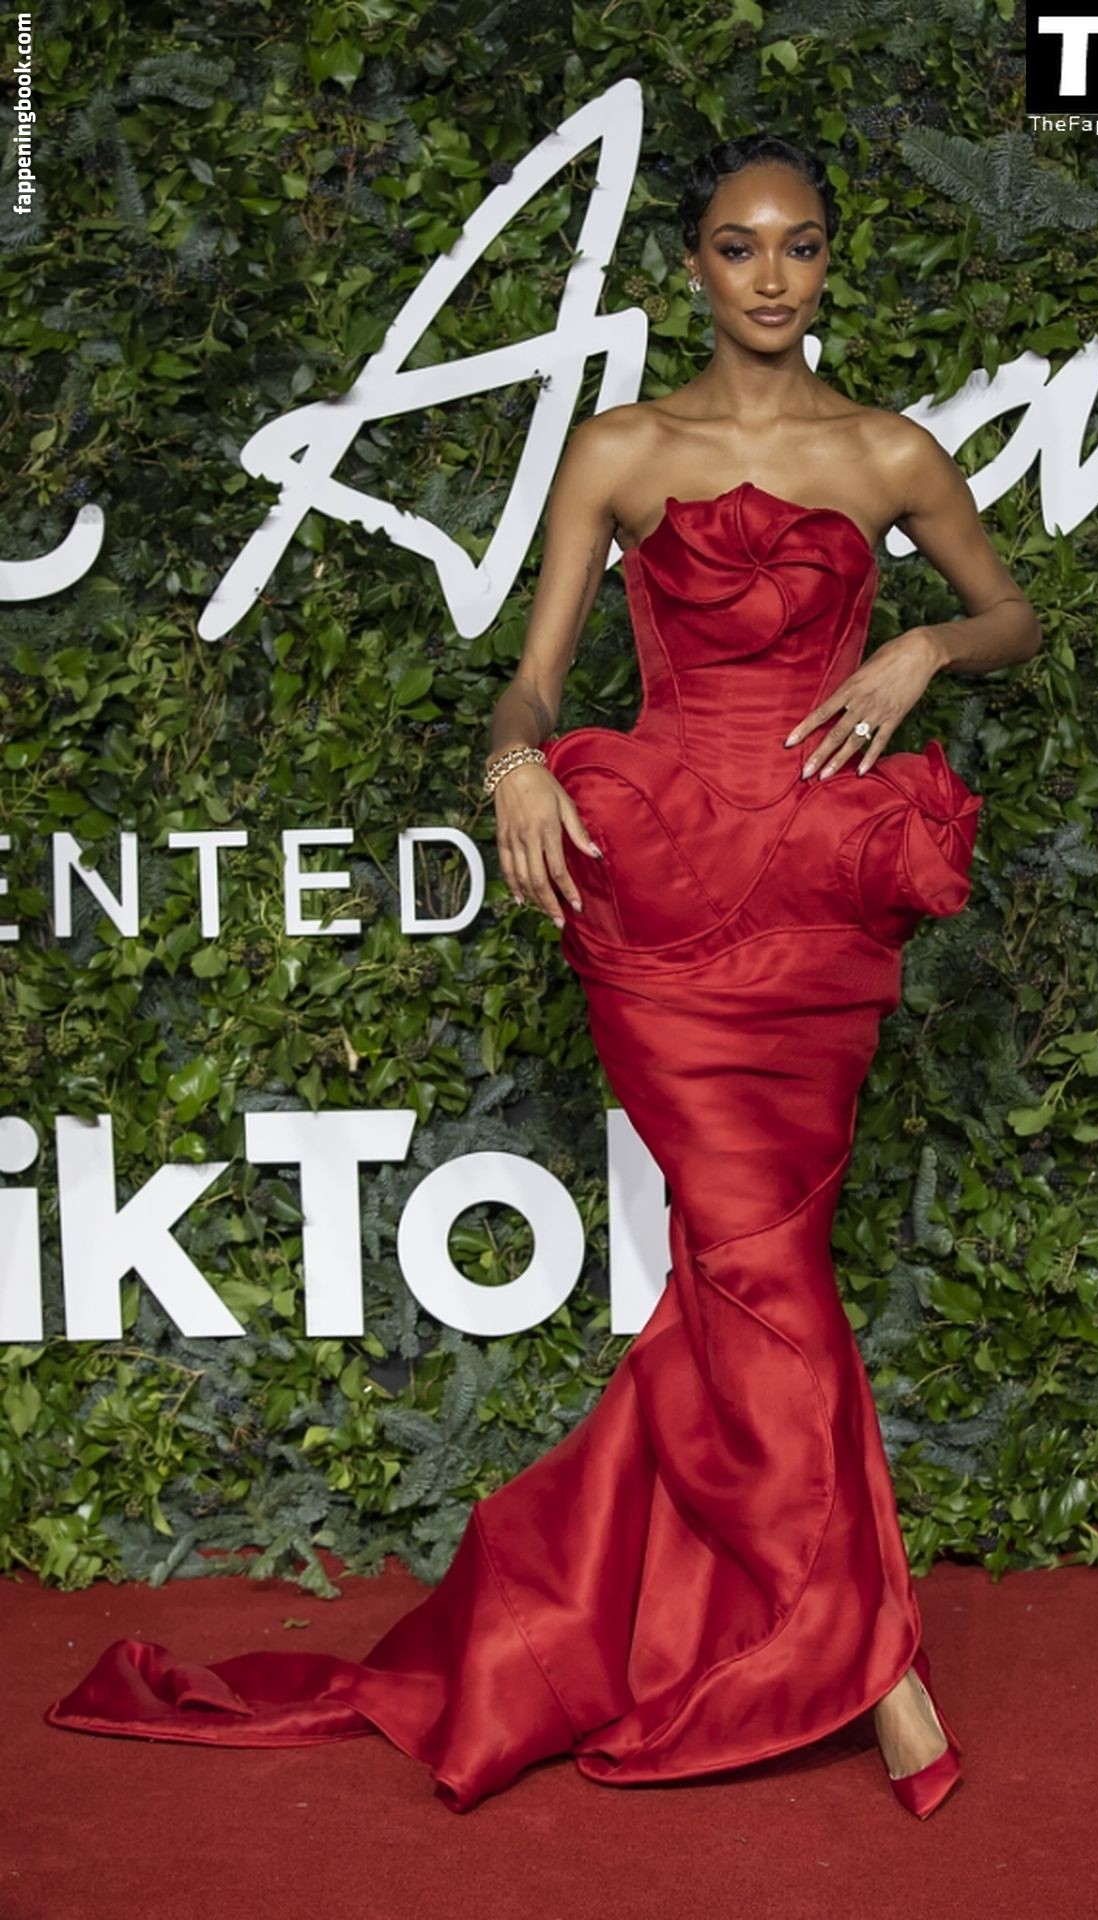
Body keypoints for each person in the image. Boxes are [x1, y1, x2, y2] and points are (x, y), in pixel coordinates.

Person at [46, 133, 1040, 1821]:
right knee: (760, 1263)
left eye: (799, 244)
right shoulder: (621, 448)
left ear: (829, 261)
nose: (772, 274)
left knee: (753, 1269)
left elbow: (1011, 615)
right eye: (738, 245)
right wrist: (515, 764)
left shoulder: (888, 452)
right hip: (663, 903)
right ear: (694, 266)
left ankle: (616, 1610)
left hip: (818, 905)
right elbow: (532, 685)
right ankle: (873, 1666)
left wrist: (925, 642)